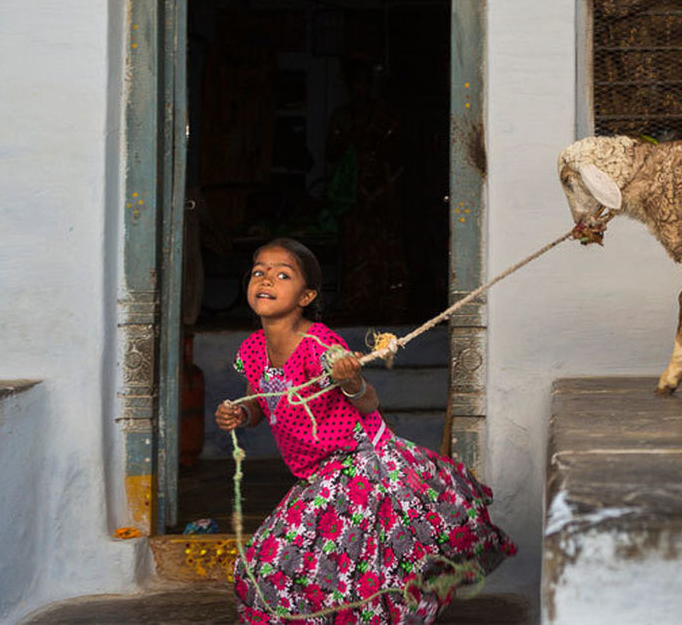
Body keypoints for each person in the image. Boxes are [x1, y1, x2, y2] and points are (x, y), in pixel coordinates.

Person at [216, 237, 515, 623]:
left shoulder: (320, 344)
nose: (266, 280)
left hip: (358, 463)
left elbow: (367, 402)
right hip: (315, 473)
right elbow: (257, 400)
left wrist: (350, 381)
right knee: (298, 562)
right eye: (259, 272)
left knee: (324, 562)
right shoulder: (252, 349)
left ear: (306, 296)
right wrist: (241, 416)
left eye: (282, 274)